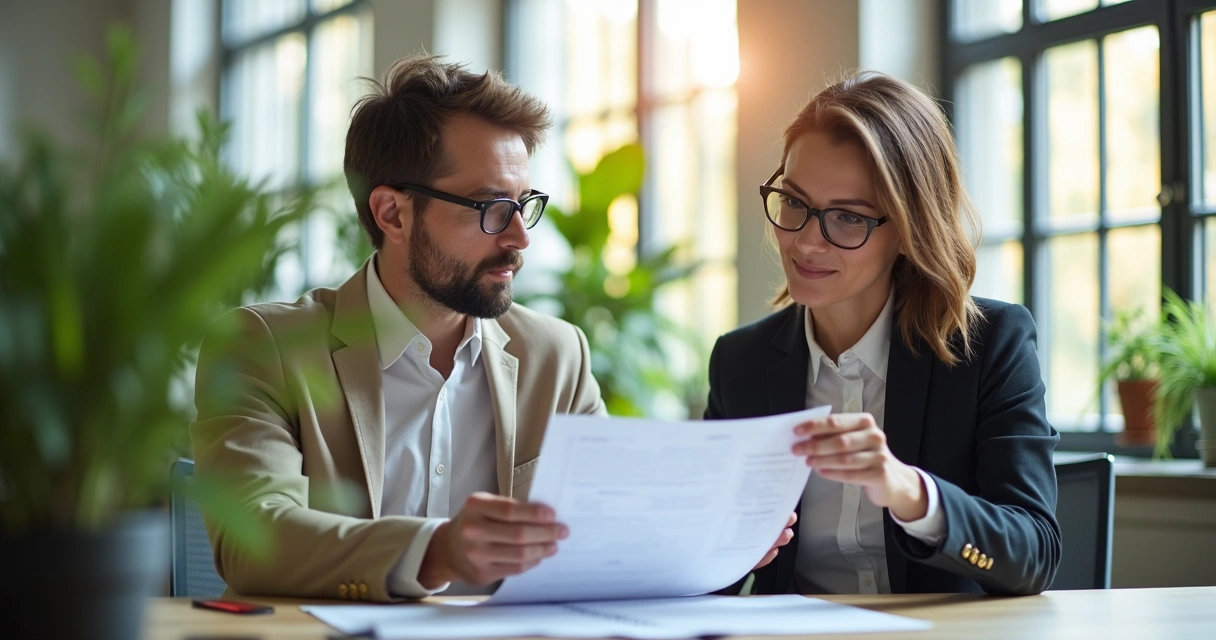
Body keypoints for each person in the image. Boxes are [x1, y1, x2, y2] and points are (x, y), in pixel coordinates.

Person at [190, 55, 609, 602]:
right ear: (392, 214)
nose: (518, 238)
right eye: (489, 207)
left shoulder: (556, 356)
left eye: (523, 205)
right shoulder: (265, 349)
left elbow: (609, 521)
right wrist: (433, 550)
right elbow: (254, 538)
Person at [705, 71, 1060, 596]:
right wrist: (726, 554)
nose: (805, 242)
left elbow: (1034, 555)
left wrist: (910, 491)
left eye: (847, 218)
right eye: (794, 202)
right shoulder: (740, 361)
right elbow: (709, 568)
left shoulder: (991, 346)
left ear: (908, 229)